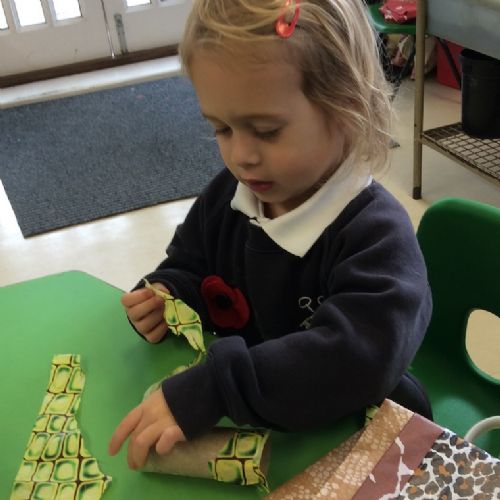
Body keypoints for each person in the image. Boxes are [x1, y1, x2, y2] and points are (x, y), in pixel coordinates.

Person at [108, 0, 433, 470]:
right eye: (221, 129)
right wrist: (167, 296)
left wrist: (216, 388)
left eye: (265, 131)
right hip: (260, 433)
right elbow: (190, 265)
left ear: (346, 108)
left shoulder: (377, 236)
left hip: (365, 439)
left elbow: (356, 357)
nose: (241, 156)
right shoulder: (228, 197)